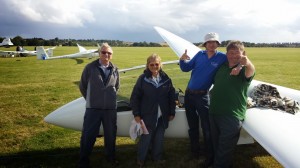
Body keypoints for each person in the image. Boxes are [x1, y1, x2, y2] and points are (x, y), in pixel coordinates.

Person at [179, 32, 227, 164]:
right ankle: (194, 152)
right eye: (209, 42)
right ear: (205, 44)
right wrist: (182, 59)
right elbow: (186, 68)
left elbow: (236, 61)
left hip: (203, 96)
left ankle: (209, 156)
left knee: (207, 128)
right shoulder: (200, 55)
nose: (212, 44)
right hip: (189, 95)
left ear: (218, 44)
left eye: (214, 42)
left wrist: (240, 65)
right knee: (192, 126)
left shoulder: (222, 57)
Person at [209, 40, 255, 168]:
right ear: (226, 53)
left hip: (231, 115)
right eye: (231, 52)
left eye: (237, 52)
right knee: (216, 144)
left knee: (224, 149)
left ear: (243, 53)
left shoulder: (244, 70)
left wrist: (245, 64)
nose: (233, 55)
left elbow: (251, 69)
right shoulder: (222, 67)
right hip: (214, 112)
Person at [130, 53, 176, 167]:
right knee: (146, 138)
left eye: (157, 64)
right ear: (147, 65)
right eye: (152, 64)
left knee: (159, 138)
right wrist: (136, 114)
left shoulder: (166, 79)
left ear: (160, 65)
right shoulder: (142, 79)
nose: (154, 67)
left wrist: (172, 112)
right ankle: (140, 160)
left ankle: (157, 158)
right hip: (147, 115)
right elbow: (135, 97)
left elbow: (171, 97)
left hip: (162, 116)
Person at [79, 42, 120, 168]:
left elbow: (116, 87)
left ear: (111, 55)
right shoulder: (90, 68)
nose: (106, 55)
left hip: (110, 109)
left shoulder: (115, 69)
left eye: (109, 53)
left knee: (111, 136)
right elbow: (83, 86)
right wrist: (91, 99)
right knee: (88, 135)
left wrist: (109, 99)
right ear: (99, 53)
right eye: (104, 52)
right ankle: (84, 161)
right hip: (93, 109)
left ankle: (110, 159)